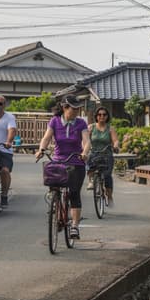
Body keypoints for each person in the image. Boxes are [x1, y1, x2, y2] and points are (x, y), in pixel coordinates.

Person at [35, 94, 90, 239]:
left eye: (78, 109)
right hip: (58, 161)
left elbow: (86, 141)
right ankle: (58, 209)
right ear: (65, 108)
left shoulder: (81, 123)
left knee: (74, 193)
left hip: (76, 161)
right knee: (54, 188)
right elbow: (46, 138)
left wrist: (84, 153)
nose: (77, 111)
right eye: (74, 109)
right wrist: (41, 150)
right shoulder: (54, 121)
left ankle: (74, 226)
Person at [86, 105, 120, 206]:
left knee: (107, 175)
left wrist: (115, 146)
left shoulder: (110, 129)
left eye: (104, 115)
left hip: (107, 154)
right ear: (96, 116)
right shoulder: (91, 127)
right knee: (89, 161)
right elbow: (85, 141)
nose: (102, 116)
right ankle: (91, 180)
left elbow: (115, 140)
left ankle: (109, 196)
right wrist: (84, 150)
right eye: (99, 114)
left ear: (107, 116)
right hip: (94, 153)